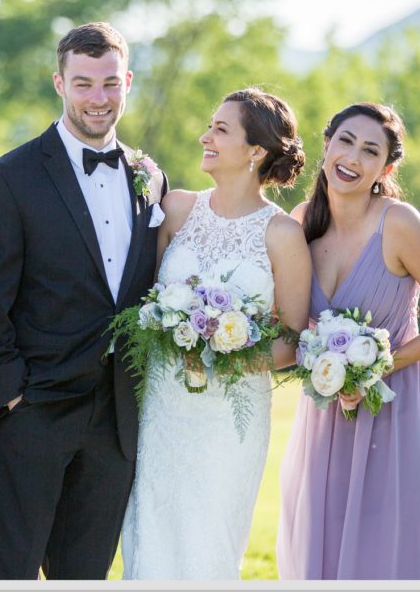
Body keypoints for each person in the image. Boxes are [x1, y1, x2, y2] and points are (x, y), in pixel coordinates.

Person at [0, 22, 168, 580]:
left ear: (127, 81)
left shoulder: (149, 178)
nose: (98, 99)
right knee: (4, 571)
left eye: (109, 84)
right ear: (59, 83)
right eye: (83, 84)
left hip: (115, 422)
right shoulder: (8, 178)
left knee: (85, 575)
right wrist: (8, 399)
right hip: (32, 413)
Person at [120, 88, 312, 580]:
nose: (205, 137)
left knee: (210, 545)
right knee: (150, 539)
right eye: (210, 125)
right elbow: (145, 300)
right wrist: (173, 329)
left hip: (229, 420)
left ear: (256, 151)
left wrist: (223, 350)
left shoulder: (281, 233)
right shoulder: (178, 209)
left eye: (221, 130)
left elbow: (291, 340)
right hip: (161, 409)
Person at [275, 102, 420, 580]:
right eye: (345, 141)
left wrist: (376, 368)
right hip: (326, 416)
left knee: (388, 547)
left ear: (385, 167)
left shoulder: (400, 223)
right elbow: (290, 325)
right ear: (326, 146)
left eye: (370, 151)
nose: (352, 158)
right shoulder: (302, 222)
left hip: (395, 406)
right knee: (323, 537)